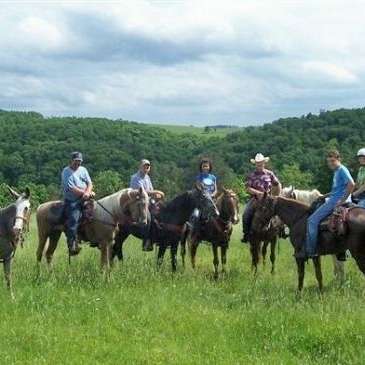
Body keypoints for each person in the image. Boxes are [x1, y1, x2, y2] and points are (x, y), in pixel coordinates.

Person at [297, 150, 354, 259]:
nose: (331, 164)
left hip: (336, 200)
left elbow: (351, 184)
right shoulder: (336, 171)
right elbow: (337, 189)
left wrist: (342, 200)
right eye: (329, 162)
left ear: (339, 159)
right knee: (316, 207)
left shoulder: (342, 169)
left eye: (333, 161)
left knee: (312, 220)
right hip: (333, 197)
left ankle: (310, 250)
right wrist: (324, 196)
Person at [241, 153, 281, 243]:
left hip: (269, 200)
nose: (259, 164)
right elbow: (247, 188)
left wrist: (277, 195)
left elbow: (277, 184)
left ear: (264, 163)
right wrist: (258, 193)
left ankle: (281, 232)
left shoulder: (270, 174)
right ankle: (246, 234)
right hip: (255, 199)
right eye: (257, 163)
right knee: (246, 214)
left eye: (261, 162)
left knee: (279, 213)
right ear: (255, 164)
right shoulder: (251, 175)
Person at [61, 152, 94, 256]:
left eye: (79, 161)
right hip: (73, 200)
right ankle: (72, 245)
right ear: (71, 161)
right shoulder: (66, 171)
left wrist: (88, 192)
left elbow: (90, 183)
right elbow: (71, 188)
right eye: (76, 161)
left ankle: (95, 238)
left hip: (86, 197)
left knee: (97, 214)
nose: (78, 163)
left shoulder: (83, 170)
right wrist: (84, 193)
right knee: (74, 219)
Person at [130, 159, 155, 252]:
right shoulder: (135, 177)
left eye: (148, 166)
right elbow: (142, 191)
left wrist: (156, 194)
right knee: (147, 218)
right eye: (145, 166)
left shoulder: (147, 177)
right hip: (138, 201)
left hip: (148, 200)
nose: (146, 167)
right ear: (140, 166)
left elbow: (151, 189)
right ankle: (145, 242)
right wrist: (155, 192)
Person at [189, 158, 217, 230]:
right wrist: (204, 194)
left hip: (212, 200)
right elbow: (198, 187)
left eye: (206, 166)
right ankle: (193, 230)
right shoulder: (199, 177)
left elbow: (215, 189)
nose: (205, 167)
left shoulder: (213, 177)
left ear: (210, 167)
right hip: (202, 201)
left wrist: (213, 194)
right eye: (203, 166)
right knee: (195, 215)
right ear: (201, 167)